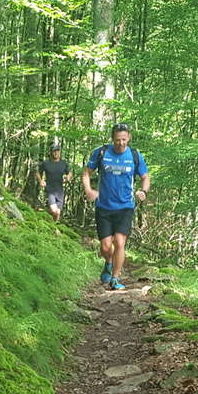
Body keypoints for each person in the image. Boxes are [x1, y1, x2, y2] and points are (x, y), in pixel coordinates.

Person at [83, 123, 150, 291]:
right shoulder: (101, 152)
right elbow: (86, 173)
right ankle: (108, 262)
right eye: (118, 140)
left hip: (125, 206)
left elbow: (145, 177)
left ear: (129, 138)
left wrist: (143, 191)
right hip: (104, 207)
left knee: (120, 242)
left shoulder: (135, 155)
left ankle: (115, 278)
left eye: (124, 140)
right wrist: (89, 190)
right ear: (112, 139)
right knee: (106, 247)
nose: (121, 143)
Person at [37, 143, 71, 222]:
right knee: (54, 210)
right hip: (50, 190)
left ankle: (53, 226)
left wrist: (68, 177)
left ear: (60, 152)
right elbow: (38, 172)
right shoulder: (46, 163)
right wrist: (40, 181)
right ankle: (48, 219)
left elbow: (69, 172)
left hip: (60, 191)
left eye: (57, 151)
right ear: (51, 152)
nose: (56, 153)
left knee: (58, 212)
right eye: (54, 151)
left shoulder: (64, 163)